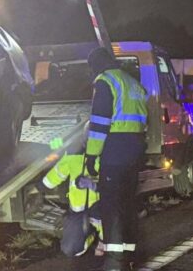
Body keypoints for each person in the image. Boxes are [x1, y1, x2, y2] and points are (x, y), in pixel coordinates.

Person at [85, 46, 148, 271]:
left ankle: (114, 261)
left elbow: (99, 124)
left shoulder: (105, 82)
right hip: (135, 150)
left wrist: (91, 156)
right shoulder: (132, 83)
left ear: (96, 65)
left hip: (114, 150)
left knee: (110, 205)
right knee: (127, 202)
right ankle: (129, 255)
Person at [41, 151, 102, 257]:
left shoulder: (103, 154)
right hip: (81, 214)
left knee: (73, 246)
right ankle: (90, 239)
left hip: (95, 209)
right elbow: (60, 171)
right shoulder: (75, 152)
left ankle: (94, 240)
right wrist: (43, 185)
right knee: (70, 248)